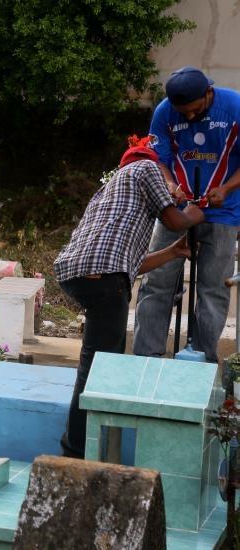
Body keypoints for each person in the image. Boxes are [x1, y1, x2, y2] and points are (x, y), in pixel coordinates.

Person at [54, 140, 205, 459]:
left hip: (79, 274)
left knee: (94, 363)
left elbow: (127, 265)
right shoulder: (146, 166)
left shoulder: (110, 192)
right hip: (106, 279)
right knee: (98, 369)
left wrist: (173, 252)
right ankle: (76, 453)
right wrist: (194, 210)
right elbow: (175, 220)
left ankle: (80, 447)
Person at [133, 67, 240, 364]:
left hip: (223, 211)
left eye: (195, 110)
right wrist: (168, 184)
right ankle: (146, 358)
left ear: (209, 92)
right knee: (157, 282)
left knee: (213, 289)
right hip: (176, 211)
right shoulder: (165, 112)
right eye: (184, 113)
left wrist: (228, 188)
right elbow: (159, 158)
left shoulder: (235, 106)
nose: (189, 117)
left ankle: (200, 360)